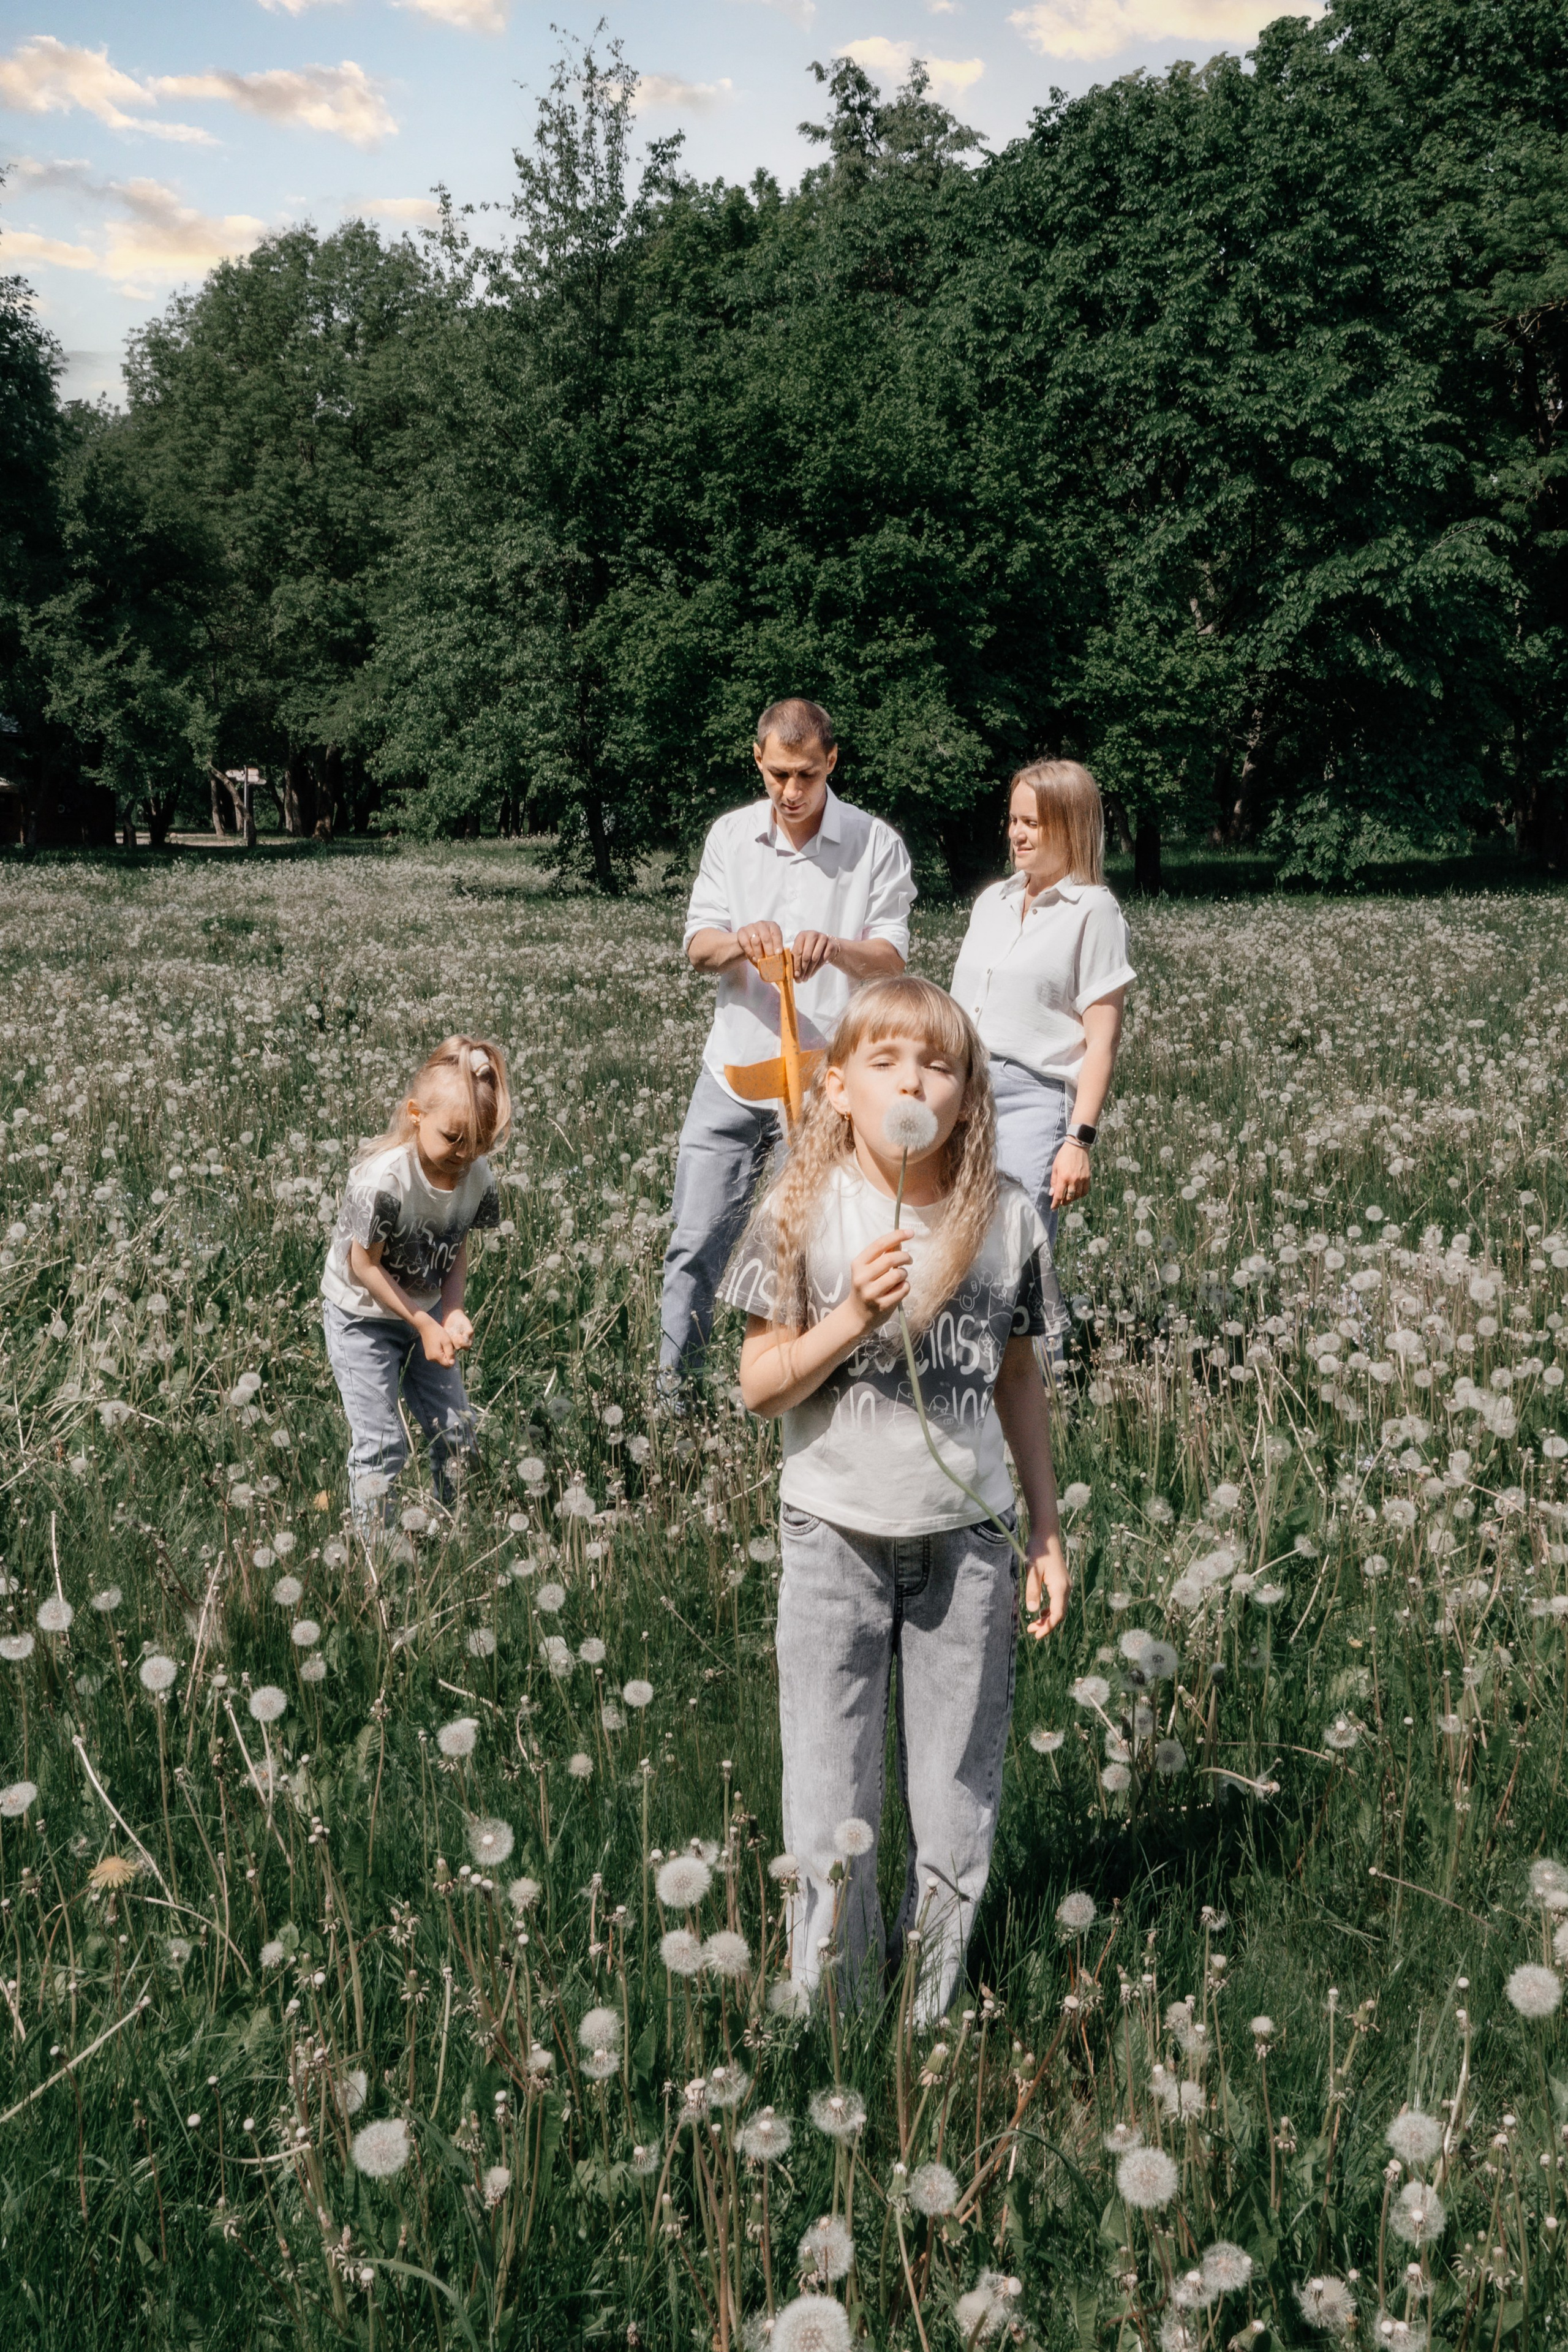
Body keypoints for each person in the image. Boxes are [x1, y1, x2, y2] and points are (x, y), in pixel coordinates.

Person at [719, 976, 1070, 2021]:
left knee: (955, 1795)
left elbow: (1018, 1378)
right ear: (838, 1087)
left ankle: (927, 2012)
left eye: (940, 1065)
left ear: (968, 1095)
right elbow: (759, 1387)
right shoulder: (801, 1210)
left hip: (968, 1543)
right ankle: (836, 2019)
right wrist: (849, 1321)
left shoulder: (1006, 1218)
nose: (914, 1082)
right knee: (830, 1794)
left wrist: (1045, 1529)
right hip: (833, 1536)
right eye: (886, 1061)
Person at [660, 698, 915, 1382]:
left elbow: (892, 958)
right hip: (733, 1073)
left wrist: (835, 949)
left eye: (806, 774)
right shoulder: (730, 836)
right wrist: (739, 942)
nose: (791, 790)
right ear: (758, 760)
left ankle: (794, 1387)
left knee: (801, 1250)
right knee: (695, 1240)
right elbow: (698, 946)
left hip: (826, 1084)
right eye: (778, 774)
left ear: (831, 761)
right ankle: (673, 1394)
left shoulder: (874, 843)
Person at [321, 1036, 510, 1534]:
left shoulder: (476, 1176)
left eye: (478, 1144)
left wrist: (453, 1310)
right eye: (453, 1138)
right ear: (416, 1114)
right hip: (361, 1316)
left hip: (425, 1312)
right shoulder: (383, 1181)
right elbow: (364, 1266)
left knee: (457, 1432)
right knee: (382, 1444)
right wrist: (424, 1321)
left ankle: (456, 1532)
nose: (463, 1155)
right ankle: (376, 1552)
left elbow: (456, 1245)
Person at [948, 759, 1134, 1246]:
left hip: (1031, 1102)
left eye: (1032, 823)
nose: (1017, 834)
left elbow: (1102, 1042)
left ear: (1070, 826)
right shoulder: (992, 901)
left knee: (1014, 1257)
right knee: (949, 1248)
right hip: (957, 1092)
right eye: (1014, 820)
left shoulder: (1094, 910)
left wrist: (1078, 1140)